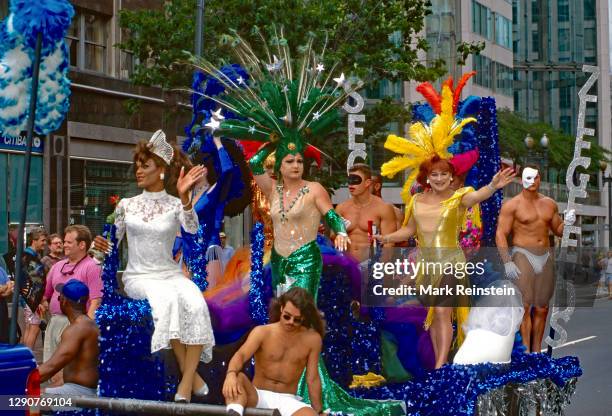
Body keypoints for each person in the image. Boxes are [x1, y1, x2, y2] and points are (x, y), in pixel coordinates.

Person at [197, 37, 404, 415]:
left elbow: (331, 214)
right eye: (289, 161)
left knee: (300, 317)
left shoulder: (314, 189)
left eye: (298, 161)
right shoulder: (271, 187)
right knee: (279, 319)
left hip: (307, 259)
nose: (295, 166)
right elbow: (254, 162)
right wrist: (274, 137)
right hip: (279, 258)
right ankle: (275, 384)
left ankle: (311, 392)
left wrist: (340, 230)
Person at [376, 75, 515, 369]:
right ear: (426, 177)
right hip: (426, 265)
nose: (439, 178)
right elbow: (409, 230)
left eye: (443, 174)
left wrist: (493, 185)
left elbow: (478, 196)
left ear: (451, 176)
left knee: (441, 312)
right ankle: (443, 360)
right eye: (434, 175)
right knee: (434, 315)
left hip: (451, 263)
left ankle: (440, 366)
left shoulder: (459, 196)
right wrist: (387, 239)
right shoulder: (416, 200)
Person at [93, 130, 215, 403]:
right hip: (139, 277)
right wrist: (99, 248)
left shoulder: (175, 205)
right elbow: (110, 244)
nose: (138, 170)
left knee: (194, 299)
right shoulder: (126, 205)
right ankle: (191, 376)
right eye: (137, 165)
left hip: (169, 273)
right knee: (168, 300)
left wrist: (185, 198)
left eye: (144, 165)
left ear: (161, 170)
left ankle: (186, 379)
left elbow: (193, 229)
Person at [496, 166, 576, 352]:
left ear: (540, 179)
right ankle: (525, 351)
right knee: (525, 305)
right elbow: (501, 233)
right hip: (522, 254)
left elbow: (558, 230)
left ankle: (536, 350)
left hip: (545, 256)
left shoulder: (549, 204)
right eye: (528, 177)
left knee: (542, 307)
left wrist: (569, 221)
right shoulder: (512, 205)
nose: (532, 181)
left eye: (535, 177)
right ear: (522, 180)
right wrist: (507, 260)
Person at [223, 287, 323, 416]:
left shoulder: (313, 339)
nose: (291, 322)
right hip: (258, 395)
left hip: (288, 400)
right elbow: (240, 355)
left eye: (296, 319)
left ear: (304, 317)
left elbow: (312, 378)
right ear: (281, 308)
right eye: (287, 316)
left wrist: (319, 411)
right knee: (238, 379)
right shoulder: (262, 332)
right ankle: (234, 412)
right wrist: (230, 374)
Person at [40, 224, 102, 386]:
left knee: (62, 373)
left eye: (68, 242)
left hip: (76, 323)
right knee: (50, 368)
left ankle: (61, 406)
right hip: (54, 321)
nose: (64, 245)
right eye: (64, 241)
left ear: (82, 245)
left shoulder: (92, 267)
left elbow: (96, 300)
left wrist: (83, 329)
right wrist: (41, 303)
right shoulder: (57, 266)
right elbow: (46, 294)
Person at [39, 279, 99, 398]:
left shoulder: (77, 329)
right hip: (76, 389)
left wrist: (18, 378)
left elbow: (50, 368)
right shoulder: (87, 324)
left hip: (79, 394)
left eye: (59, 297)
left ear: (64, 301)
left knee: (12, 402)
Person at [335, 164, 397, 262]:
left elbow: (389, 243)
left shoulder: (384, 208)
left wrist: (378, 267)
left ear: (367, 183)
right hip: (346, 266)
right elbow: (332, 237)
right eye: (349, 180)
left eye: (356, 180)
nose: (351, 184)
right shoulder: (341, 208)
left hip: (372, 265)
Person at [20, 228, 48, 349]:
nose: (45, 243)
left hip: (28, 298)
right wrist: (40, 301)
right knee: (34, 328)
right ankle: (28, 359)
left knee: (29, 328)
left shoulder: (27, 255)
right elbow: (36, 281)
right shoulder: (29, 256)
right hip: (32, 299)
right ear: (34, 240)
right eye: (42, 240)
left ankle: (23, 359)